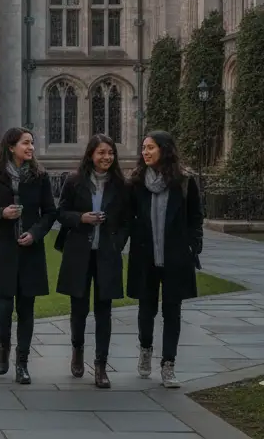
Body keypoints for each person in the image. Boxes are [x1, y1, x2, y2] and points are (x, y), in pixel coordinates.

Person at [0, 127, 56, 385]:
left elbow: (50, 213)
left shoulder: (40, 177)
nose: (30, 148)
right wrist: (1, 214)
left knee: (26, 308)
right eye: (25, 143)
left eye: (32, 143)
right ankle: (4, 346)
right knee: (4, 306)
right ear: (11, 147)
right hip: (1, 248)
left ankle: (22, 363)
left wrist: (34, 233)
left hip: (29, 249)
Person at [126, 130, 203, 389]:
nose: (145, 152)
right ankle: (145, 349)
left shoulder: (184, 182)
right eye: (143, 148)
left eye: (150, 147)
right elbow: (127, 217)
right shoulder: (136, 182)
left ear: (164, 150)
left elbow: (195, 218)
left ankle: (168, 364)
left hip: (175, 257)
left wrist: (193, 245)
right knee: (146, 309)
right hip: (145, 256)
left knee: (173, 312)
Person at [55, 134, 130, 388]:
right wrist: (81, 218)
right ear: (91, 155)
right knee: (78, 308)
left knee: (104, 311)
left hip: (107, 254)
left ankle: (100, 365)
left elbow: (126, 220)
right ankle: (77, 349)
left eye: (110, 152)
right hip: (79, 253)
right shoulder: (74, 181)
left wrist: (118, 242)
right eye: (101, 152)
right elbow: (61, 214)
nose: (106, 157)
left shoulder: (120, 184)